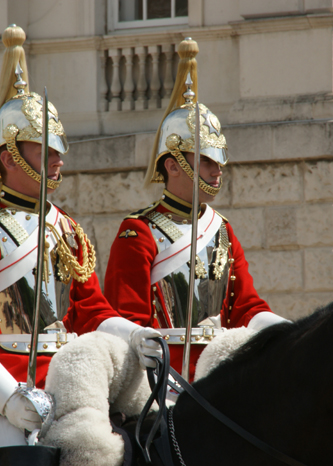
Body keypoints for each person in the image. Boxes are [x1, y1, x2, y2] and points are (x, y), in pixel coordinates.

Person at [0, 25, 159, 450]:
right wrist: (6, 399)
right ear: (9, 156)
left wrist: (131, 335)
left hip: (72, 381)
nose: (59, 161)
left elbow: (90, 312)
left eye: (59, 151)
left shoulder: (67, 228)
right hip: (5, 392)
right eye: (46, 151)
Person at [103, 38, 287, 380]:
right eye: (204, 161)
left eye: (218, 161)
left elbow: (245, 307)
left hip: (220, 371)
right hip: (164, 378)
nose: (217, 170)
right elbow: (129, 319)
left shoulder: (221, 228)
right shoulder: (139, 231)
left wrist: (289, 331)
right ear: (172, 166)